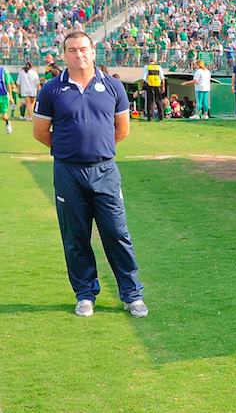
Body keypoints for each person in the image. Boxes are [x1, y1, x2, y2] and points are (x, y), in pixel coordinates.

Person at [32, 31, 147, 319]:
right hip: (68, 174)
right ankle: (85, 295)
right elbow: (40, 132)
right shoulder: (51, 89)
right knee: (75, 237)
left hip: (104, 171)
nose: (78, 54)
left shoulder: (112, 86)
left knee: (117, 234)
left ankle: (132, 295)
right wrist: (70, 151)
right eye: (72, 50)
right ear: (64, 55)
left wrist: (97, 150)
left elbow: (122, 130)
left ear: (93, 52)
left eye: (83, 48)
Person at [142, 54, 166, 122]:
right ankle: (161, 116)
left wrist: (141, 87)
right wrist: (163, 87)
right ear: (155, 61)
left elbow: (143, 78)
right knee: (159, 101)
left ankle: (150, 117)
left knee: (150, 101)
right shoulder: (159, 67)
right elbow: (162, 78)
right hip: (157, 85)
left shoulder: (146, 67)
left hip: (150, 85)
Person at [0, 64, 14, 134]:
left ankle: (7, 123)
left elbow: (8, 84)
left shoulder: (4, 71)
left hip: (3, 96)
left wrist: (11, 97)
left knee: (4, 116)